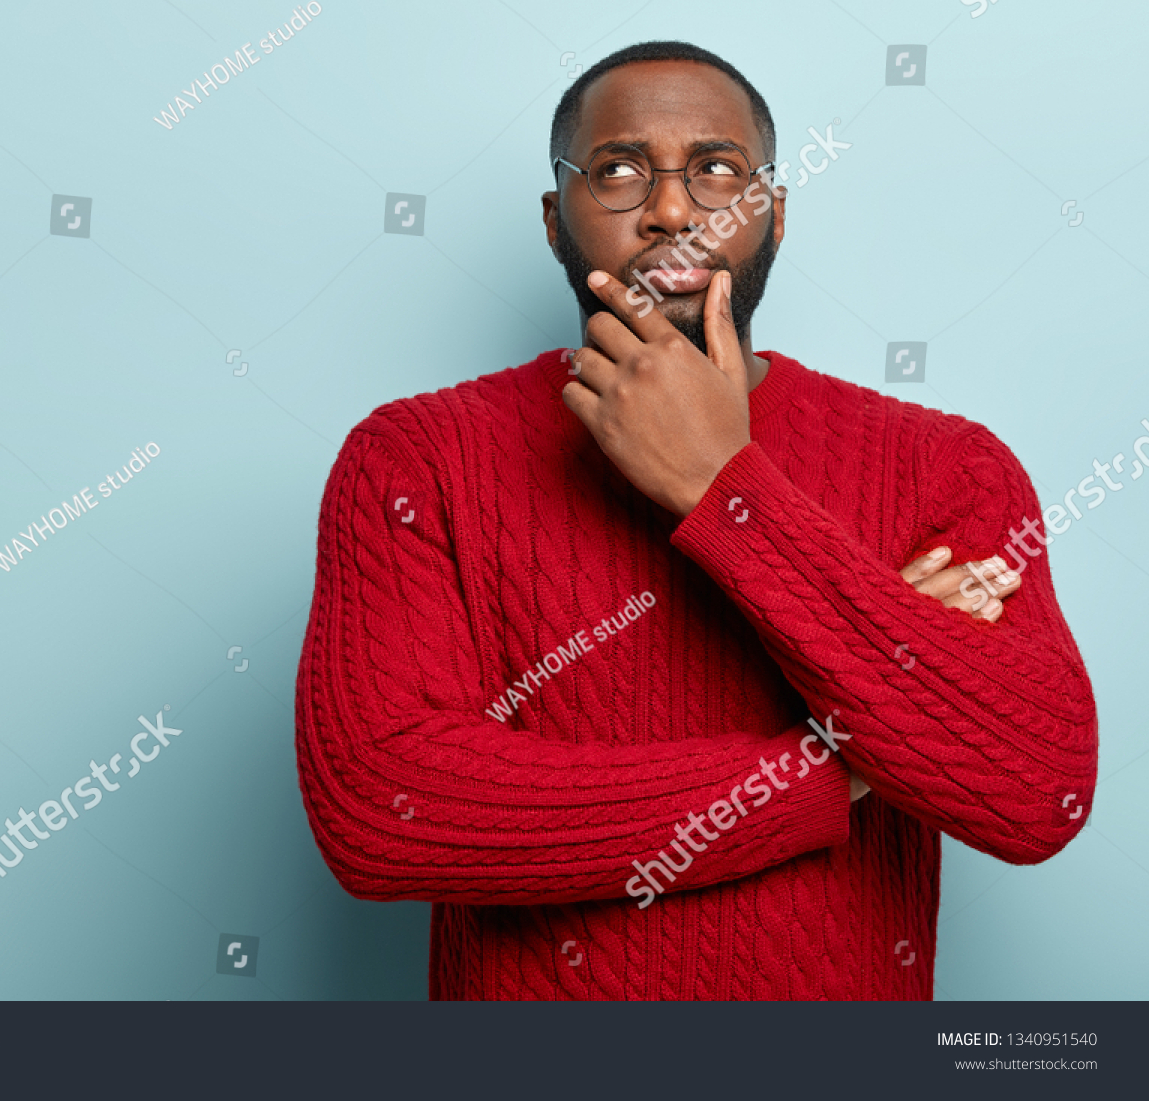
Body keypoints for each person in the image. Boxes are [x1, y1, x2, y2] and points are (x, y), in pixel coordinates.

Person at [294, 40, 1097, 1000]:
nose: (672, 210)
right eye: (620, 170)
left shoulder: (945, 467)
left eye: (717, 171)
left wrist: (721, 482)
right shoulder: (413, 458)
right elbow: (382, 811)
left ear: (776, 214)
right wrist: (832, 760)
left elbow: (1035, 792)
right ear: (556, 222)